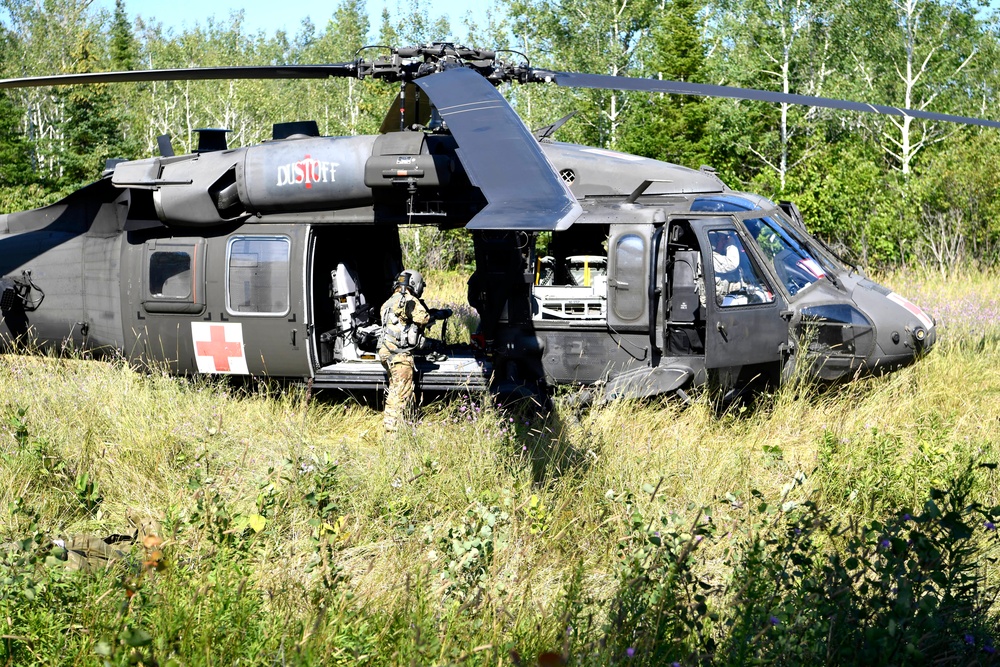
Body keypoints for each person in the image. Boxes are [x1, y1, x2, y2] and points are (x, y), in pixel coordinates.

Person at [378, 270, 431, 434]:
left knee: (400, 388)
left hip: (386, 352)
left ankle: (409, 422)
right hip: (399, 354)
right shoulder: (409, 300)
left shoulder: (388, 302)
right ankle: (391, 434)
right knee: (398, 394)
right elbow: (424, 318)